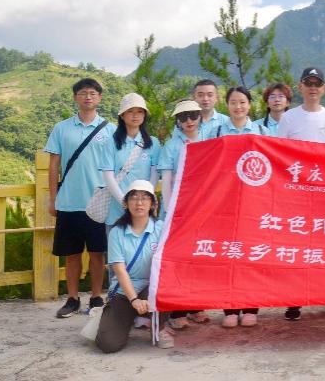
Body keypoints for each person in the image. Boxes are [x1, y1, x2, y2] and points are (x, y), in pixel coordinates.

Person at [277, 66, 325, 321]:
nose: (313, 88)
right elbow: (279, 154)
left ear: (323, 88)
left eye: (317, 84)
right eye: (309, 83)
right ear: (301, 87)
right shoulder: (289, 118)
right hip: (296, 194)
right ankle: (295, 299)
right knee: (297, 248)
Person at [45, 78, 115, 318]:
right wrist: (53, 198)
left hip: (100, 202)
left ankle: (96, 297)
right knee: (71, 254)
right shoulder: (61, 128)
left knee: (98, 253)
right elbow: (53, 166)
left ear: (99, 98)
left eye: (93, 93)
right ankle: (72, 299)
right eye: (83, 93)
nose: (88, 97)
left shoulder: (110, 130)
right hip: (69, 202)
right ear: (76, 97)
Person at [94, 181, 173, 352]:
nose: (139, 203)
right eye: (134, 197)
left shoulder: (161, 229)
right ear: (125, 203)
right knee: (108, 344)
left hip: (151, 288)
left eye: (145, 198)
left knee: (166, 287)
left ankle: (159, 326)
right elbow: (119, 270)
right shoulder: (117, 232)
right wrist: (134, 300)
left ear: (153, 204)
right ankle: (130, 318)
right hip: (124, 292)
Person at [212, 86, 266, 327]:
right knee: (229, 255)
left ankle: (251, 307)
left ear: (250, 104)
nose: (238, 106)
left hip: (255, 203)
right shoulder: (217, 132)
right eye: (233, 102)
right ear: (227, 105)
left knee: (252, 256)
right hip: (226, 202)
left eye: (242, 102)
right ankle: (230, 308)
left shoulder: (262, 131)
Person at [157, 99, 211, 330]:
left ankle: (196, 306)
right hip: (179, 210)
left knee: (199, 258)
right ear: (177, 121)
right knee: (178, 260)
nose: (189, 121)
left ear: (200, 116)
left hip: (203, 209)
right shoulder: (171, 146)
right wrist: (171, 212)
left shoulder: (209, 139)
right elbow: (166, 181)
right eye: (183, 117)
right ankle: (178, 310)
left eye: (193, 115)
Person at [99, 93, 160, 227]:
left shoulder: (153, 143)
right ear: (122, 115)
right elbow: (108, 176)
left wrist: (144, 200)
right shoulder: (111, 142)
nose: (135, 115)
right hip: (116, 208)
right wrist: (125, 202)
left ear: (144, 115)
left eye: (140, 111)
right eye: (130, 111)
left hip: (143, 208)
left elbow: (155, 174)